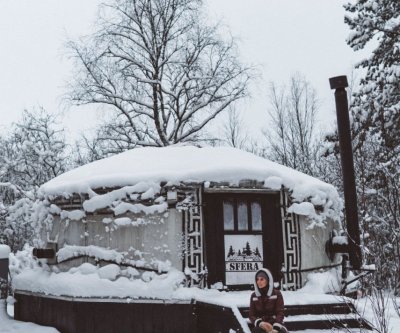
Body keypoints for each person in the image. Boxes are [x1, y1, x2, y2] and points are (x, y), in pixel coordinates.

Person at [249, 268, 288, 333]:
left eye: (262, 279)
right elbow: (251, 315)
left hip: (275, 323)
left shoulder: (277, 294)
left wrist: (276, 327)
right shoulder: (254, 295)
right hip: (262, 325)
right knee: (257, 331)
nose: (259, 282)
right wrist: (260, 323)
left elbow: (280, 313)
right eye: (257, 279)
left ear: (268, 280)